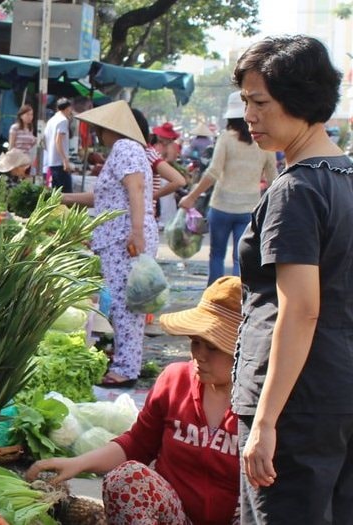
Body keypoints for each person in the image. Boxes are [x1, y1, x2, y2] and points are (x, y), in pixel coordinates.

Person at [231, 35, 353, 524]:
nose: (250, 116)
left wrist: (265, 420)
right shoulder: (344, 178)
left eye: (260, 101)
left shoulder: (297, 190)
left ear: (299, 98)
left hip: (296, 405)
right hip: (338, 395)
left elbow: (301, 310)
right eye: (244, 102)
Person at [26, 277, 243, 525]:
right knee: (126, 477)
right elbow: (137, 444)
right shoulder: (175, 380)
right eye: (195, 343)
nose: (199, 355)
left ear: (242, 348)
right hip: (174, 517)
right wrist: (77, 463)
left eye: (213, 348)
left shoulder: (265, 404)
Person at [60, 101, 158, 387]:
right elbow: (102, 198)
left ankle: (126, 369)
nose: (98, 134)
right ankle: (126, 362)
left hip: (125, 237)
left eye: (100, 129)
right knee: (124, 303)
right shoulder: (125, 151)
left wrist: (136, 231)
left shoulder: (125, 148)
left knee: (126, 305)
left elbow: (136, 188)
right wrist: (62, 197)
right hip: (119, 236)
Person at [179, 92, 277, 285]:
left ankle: (213, 299)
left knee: (216, 255)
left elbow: (213, 172)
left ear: (230, 116)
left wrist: (192, 197)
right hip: (249, 210)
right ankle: (236, 301)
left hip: (221, 207)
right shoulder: (263, 141)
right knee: (239, 257)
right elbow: (273, 177)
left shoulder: (226, 138)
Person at [132, 108, 185, 218]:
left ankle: (165, 220)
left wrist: (159, 163)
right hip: (162, 174)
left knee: (166, 203)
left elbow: (170, 161)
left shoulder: (167, 148)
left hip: (165, 176)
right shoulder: (160, 147)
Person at [43, 98, 74, 191]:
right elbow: (58, 141)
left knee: (56, 193)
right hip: (60, 163)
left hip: (51, 161)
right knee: (67, 193)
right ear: (68, 108)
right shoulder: (63, 120)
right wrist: (65, 160)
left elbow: (45, 140)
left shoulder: (51, 120)